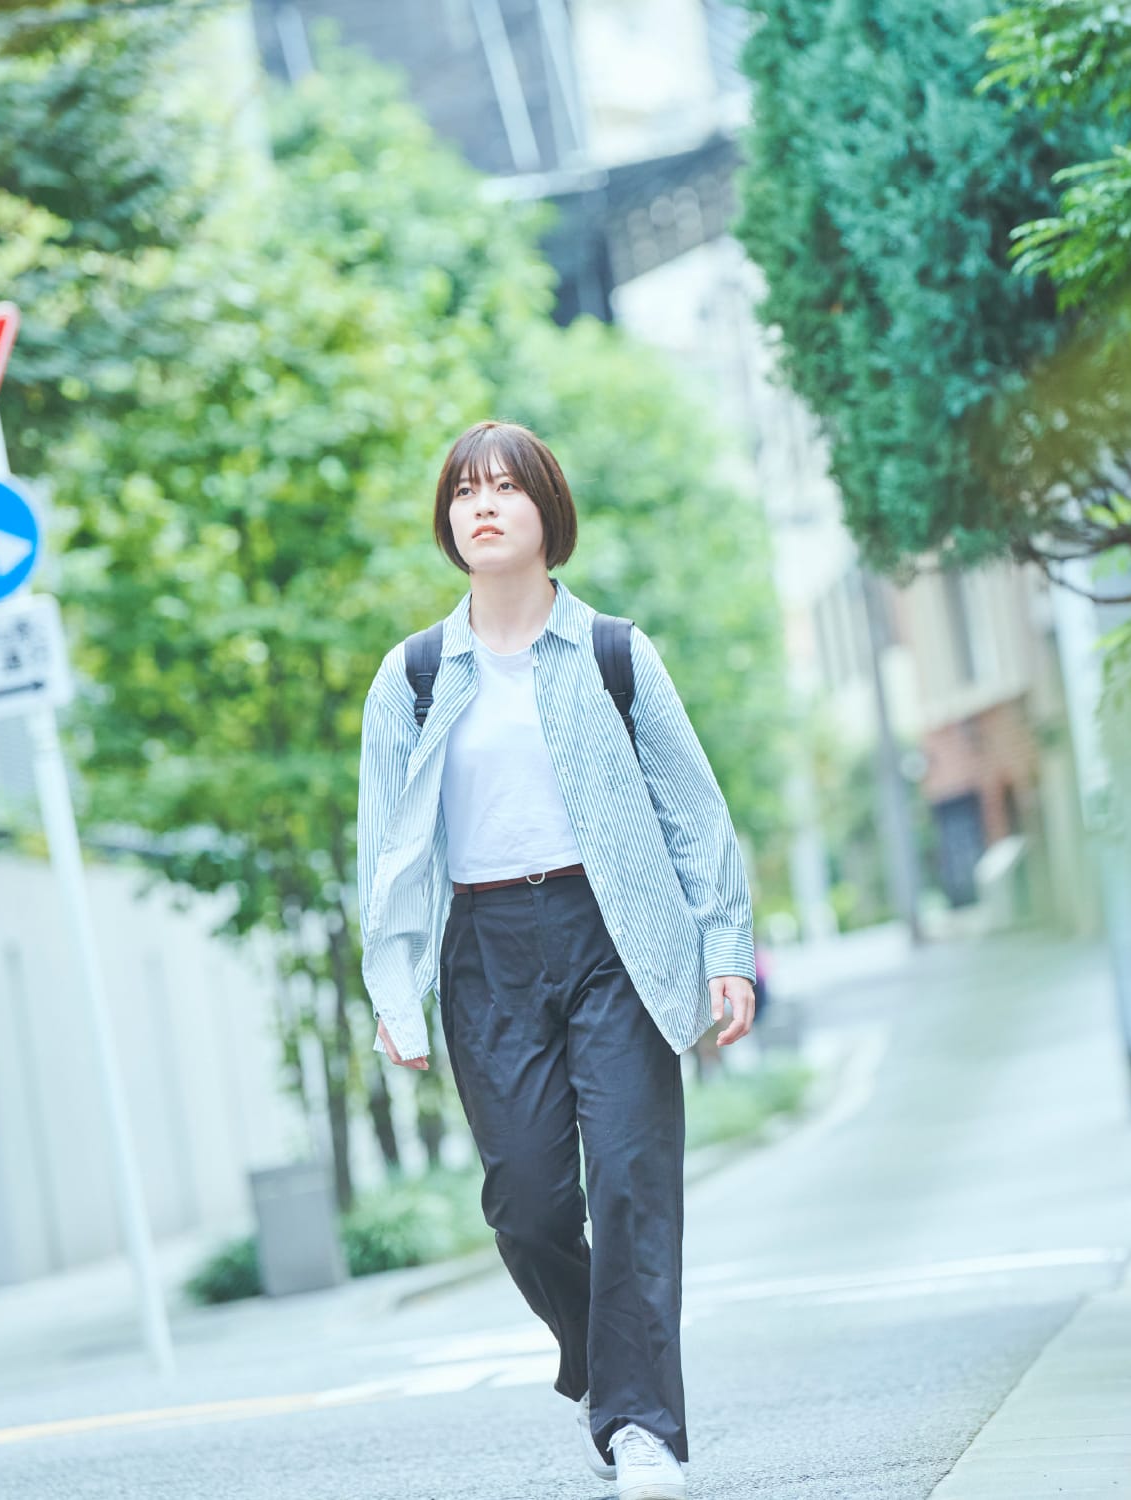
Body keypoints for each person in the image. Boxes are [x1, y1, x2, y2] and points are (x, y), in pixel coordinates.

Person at [357, 420, 756, 1500]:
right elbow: (384, 850)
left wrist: (726, 947)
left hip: (614, 937)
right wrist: (394, 988)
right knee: (528, 1208)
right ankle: (600, 1364)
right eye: (463, 492)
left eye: (504, 489)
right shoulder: (413, 676)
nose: (482, 506)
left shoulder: (615, 654)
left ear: (548, 513)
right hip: (485, 951)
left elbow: (693, 812)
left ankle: (641, 1429)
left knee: (630, 1185)